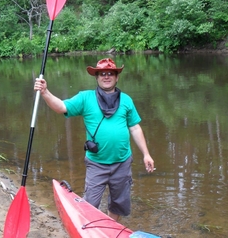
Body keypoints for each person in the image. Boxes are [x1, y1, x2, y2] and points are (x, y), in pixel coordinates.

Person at [34, 58, 154, 221]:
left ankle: (109, 229)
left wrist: (146, 154)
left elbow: (135, 128)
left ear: (117, 77)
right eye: (102, 74)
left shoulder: (126, 100)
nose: (106, 76)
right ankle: (89, 229)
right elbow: (61, 107)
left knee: (118, 203)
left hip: (122, 162)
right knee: (90, 204)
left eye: (110, 73)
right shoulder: (85, 98)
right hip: (97, 163)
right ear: (96, 77)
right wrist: (45, 92)